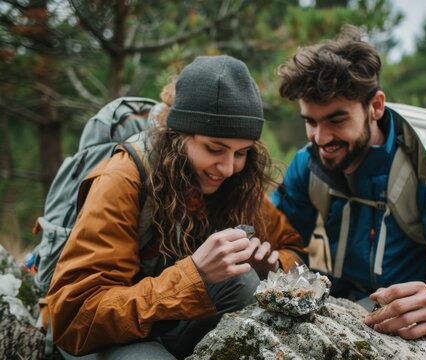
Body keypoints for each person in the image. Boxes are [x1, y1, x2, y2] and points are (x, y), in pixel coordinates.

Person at [46, 55, 304, 359]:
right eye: (214, 149)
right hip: (99, 338)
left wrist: (273, 266)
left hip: (168, 322)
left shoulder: (237, 184)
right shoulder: (123, 178)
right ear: (177, 135)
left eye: (242, 152)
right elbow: (76, 317)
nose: (227, 167)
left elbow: (293, 248)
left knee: (243, 278)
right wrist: (194, 274)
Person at [271, 25, 426, 345]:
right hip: (335, 307)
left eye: (336, 120)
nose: (320, 139)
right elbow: (275, 232)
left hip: (414, 316)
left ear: (376, 107)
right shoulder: (308, 163)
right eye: (311, 122)